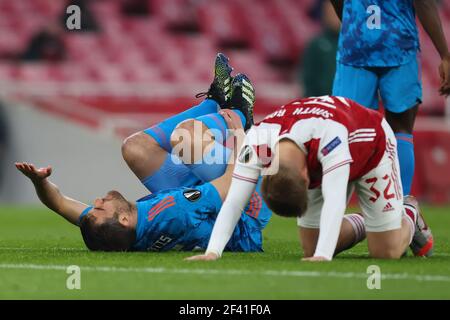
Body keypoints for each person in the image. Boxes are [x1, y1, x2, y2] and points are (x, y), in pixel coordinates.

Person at [15, 54, 271, 252]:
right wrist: (240, 135)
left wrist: (40, 182)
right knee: (186, 138)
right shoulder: (173, 211)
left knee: (134, 148)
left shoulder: (119, 231)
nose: (97, 201)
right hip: (245, 207)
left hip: (212, 201)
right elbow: (230, 185)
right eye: (101, 208)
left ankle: (214, 102)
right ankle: (240, 111)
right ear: (124, 219)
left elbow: (59, 203)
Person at [187, 95, 433, 262]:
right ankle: (368, 221)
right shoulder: (258, 141)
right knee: (311, 247)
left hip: (371, 147)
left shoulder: (328, 137)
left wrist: (324, 256)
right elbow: (234, 201)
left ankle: (408, 210)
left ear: (307, 177)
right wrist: (213, 252)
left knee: (386, 251)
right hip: (320, 155)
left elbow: (335, 199)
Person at [330, 0, 450, 196]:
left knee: (347, 133)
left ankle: (334, 211)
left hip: (356, 46)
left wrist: (353, 23)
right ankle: (399, 210)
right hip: (398, 44)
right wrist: (445, 55)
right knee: (401, 130)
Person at [299, 0, 341, 97]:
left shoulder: (353, 46)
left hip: (347, 104)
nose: (335, 16)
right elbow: (308, 80)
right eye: (331, 12)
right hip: (322, 103)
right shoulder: (316, 44)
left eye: (337, 11)